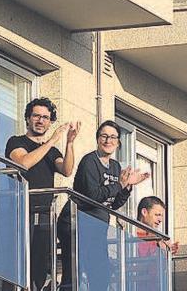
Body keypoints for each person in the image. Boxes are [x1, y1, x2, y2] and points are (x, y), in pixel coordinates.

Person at [57, 120, 149, 290]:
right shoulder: (89, 161)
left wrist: (128, 187)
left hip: (97, 227)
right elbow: (93, 196)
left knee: (101, 274)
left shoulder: (115, 166)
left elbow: (112, 205)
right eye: (104, 136)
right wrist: (120, 185)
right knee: (75, 273)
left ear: (118, 142)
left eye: (113, 137)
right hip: (76, 224)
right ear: (98, 139)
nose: (108, 141)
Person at [4, 97, 79, 291]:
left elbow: (67, 169)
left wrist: (69, 143)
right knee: (17, 261)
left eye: (45, 117)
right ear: (28, 118)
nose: (40, 120)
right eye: (36, 116)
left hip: (45, 214)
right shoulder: (16, 141)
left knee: (39, 264)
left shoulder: (52, 150)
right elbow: (23, 163)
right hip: (20, 212)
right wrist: (53, 139)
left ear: (50, 121)